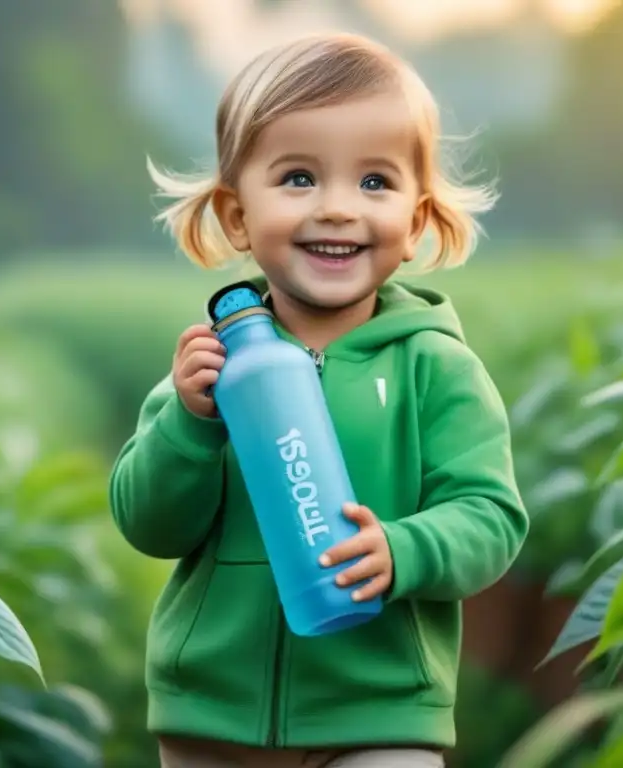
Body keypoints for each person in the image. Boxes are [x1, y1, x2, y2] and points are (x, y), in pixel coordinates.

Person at [109, 31, 529, 768]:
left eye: (374, 183)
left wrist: (404, 549)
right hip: (213, 714)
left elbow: (490, 518)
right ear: (237, 216)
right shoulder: (212, 369)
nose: (337, 209)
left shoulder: (435, 368)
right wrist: (189, 424)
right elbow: (149, 524)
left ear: (417, 222)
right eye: (299, 178)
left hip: (381, 713)